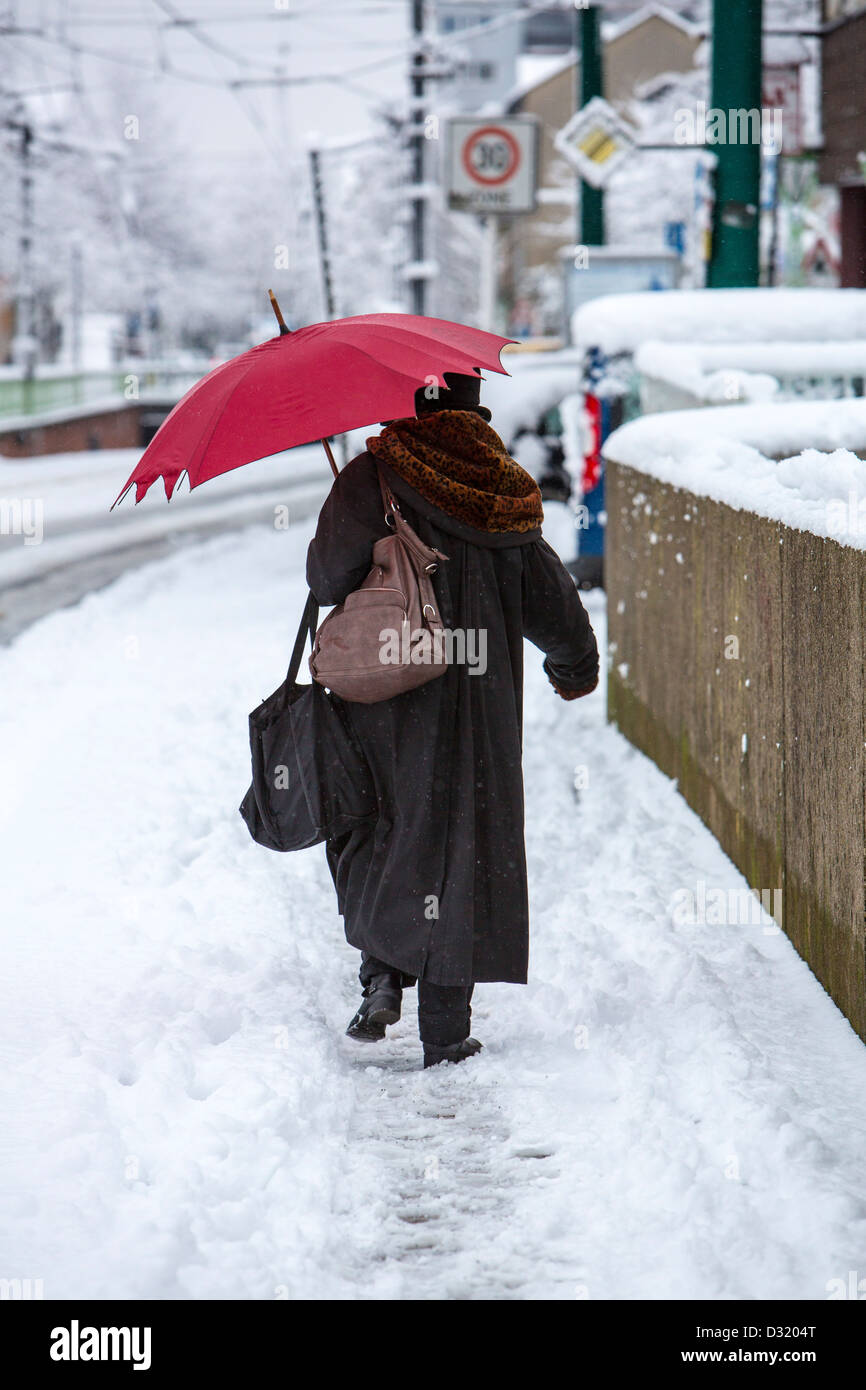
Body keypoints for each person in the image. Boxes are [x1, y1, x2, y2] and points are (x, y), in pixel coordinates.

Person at [306, 372, 599, 1069]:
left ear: (409, 403)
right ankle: (446, 1028)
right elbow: (549, 597)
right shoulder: (504, 488)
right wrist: (574, 667)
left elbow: (323, 582)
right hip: (479, 706)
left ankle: (381, 975)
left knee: (375, 824)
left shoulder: (371, 476)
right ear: (475, 407)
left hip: (383, 694)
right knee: (463, 846)